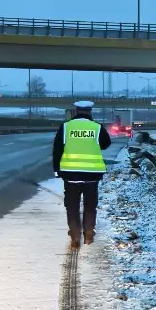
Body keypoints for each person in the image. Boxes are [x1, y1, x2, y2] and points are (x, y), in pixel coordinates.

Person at [52, 101, 112, 249]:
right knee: (90, 205)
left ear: (76, 111)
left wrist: (57, 170)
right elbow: (106, 144)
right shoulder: (97, 127)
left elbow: (57, 149)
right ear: (90, 112)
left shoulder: (66, 127)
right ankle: (89, 234)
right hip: (92, 175)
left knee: (72, 205)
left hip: (71, 174)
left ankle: (75, 235)